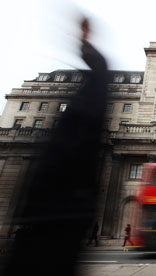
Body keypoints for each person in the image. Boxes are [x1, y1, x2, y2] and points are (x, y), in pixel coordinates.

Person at [2, 16, 109, 276]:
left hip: (56, 217)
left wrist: (86, 47)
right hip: (55, 217)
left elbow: (99, 80)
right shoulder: (80, 120)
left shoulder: (82, 121)